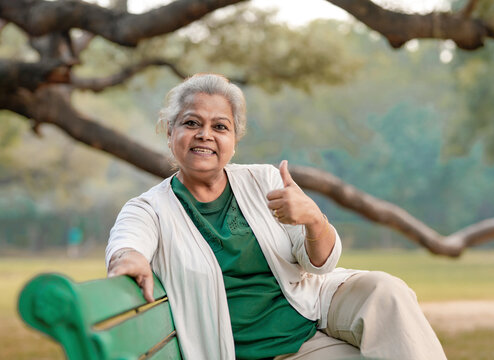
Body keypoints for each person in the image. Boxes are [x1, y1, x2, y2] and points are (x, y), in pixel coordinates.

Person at [106, 73, 447, 360]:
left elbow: (318, 264)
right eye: (191, 122)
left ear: (234, 141)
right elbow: (129, 239)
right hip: (248, 351)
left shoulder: (264, 181)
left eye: (220, 126)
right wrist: (128, 258)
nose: (205, 134)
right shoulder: (150, 208)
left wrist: (314, 220)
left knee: (387, 291)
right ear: (170, 133)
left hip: (308, 319)